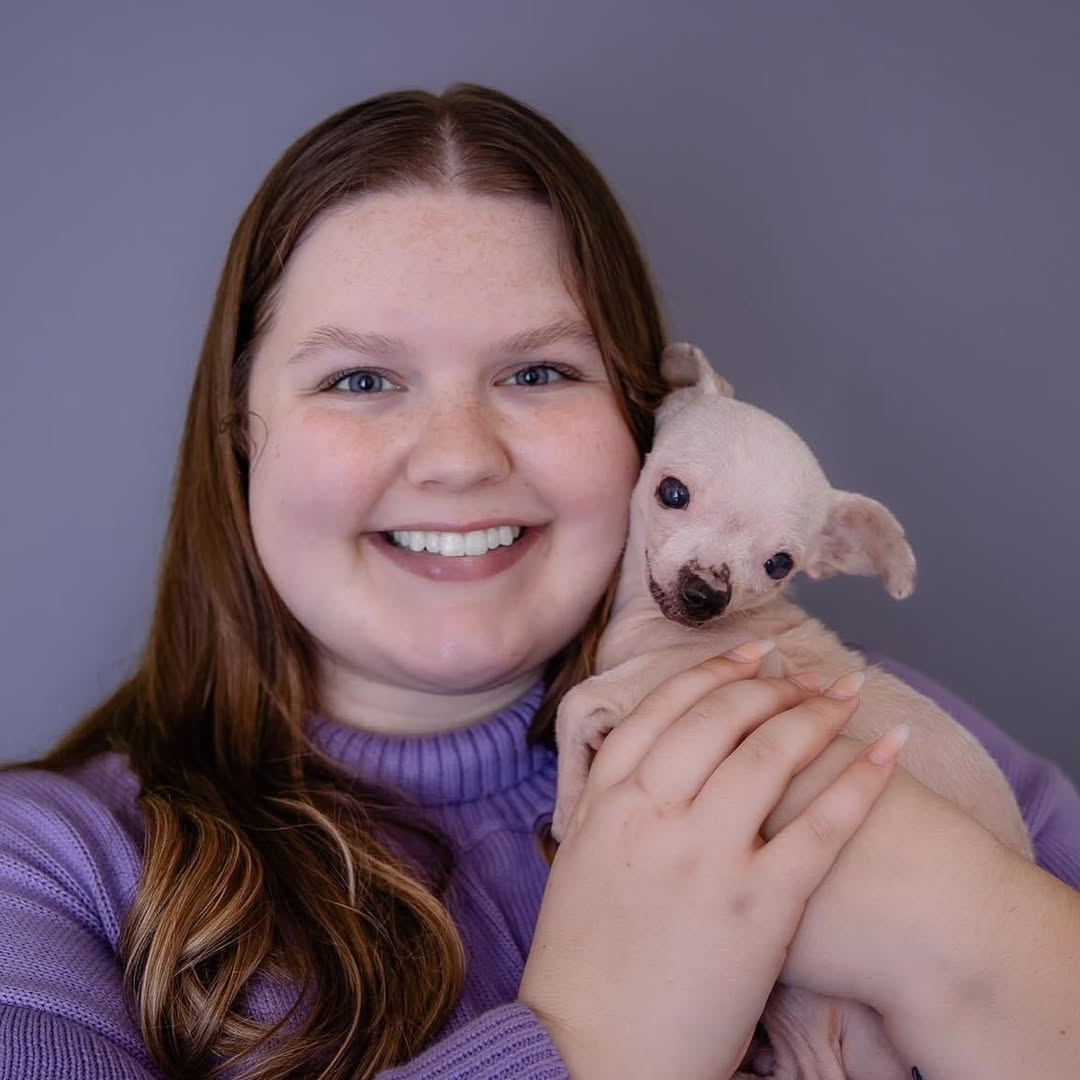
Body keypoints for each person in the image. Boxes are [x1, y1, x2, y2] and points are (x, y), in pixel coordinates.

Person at [0, 84, 1078, 1080]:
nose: (458, 456)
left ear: (645, 421)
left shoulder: (879, 741)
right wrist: (595, 1038)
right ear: (242, 437)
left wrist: (965, 921)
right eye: (360, 377)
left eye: (538, 373)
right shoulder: (46, 876)